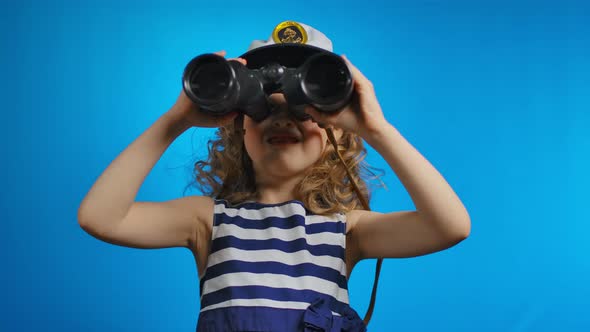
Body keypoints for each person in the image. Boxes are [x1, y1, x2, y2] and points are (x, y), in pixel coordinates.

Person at [77, 21, 471, 332]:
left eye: (305, 110)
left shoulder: (345, 231)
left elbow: (449, 226)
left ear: (336, 132)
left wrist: (376, 128)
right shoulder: (208, 222)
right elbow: (101, 217)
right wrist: (174, 121)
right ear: (237, 126)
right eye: (262, 107)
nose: (282, 118)